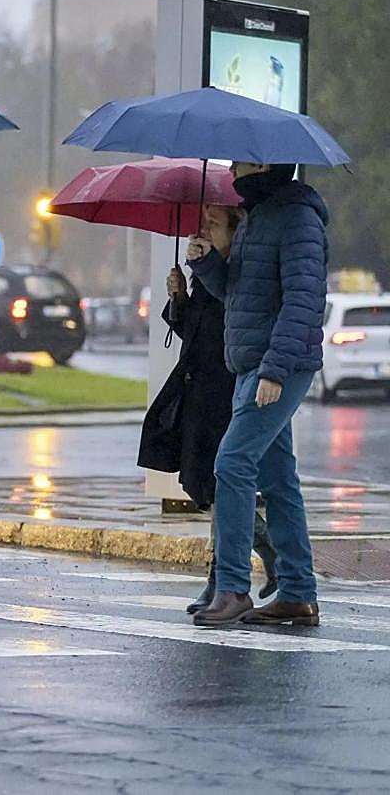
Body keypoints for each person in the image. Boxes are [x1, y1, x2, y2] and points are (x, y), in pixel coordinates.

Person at [185, 163, 328, 627]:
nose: (232, 168)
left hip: (277, 367)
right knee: (279, 479)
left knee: (232, 463)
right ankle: (298, 593)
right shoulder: (258, 215)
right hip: (250, 365)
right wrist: (207, 261)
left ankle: (232, 588)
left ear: (265, 164)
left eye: (241, 161)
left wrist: (276, 370)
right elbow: (237, 292)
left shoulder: (296, 217)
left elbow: (303, 301)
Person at [137, 205, 277, 614]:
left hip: (224, 388)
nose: (203, 231)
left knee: (219, 484)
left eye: (212, 224)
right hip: (196, 388)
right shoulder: (206, 273)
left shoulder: (236, 272)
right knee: (204, 484)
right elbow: (192, 332)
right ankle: (222, 577)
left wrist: (207, 272)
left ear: (235, 231)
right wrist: (179, 296)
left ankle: (248, 563)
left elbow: (229, 325)